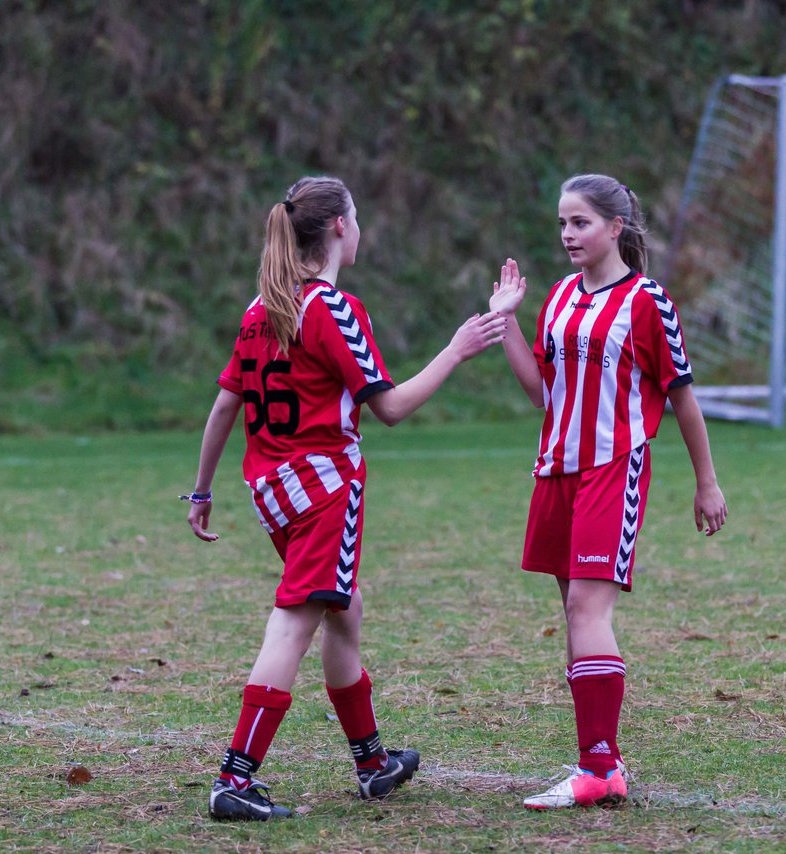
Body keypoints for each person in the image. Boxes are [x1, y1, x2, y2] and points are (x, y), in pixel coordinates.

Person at [184, 175, 506, 821]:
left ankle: (372, 762)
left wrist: (202, 488)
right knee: (298, 618)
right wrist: (455, 351)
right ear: (338, 228)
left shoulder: (261, 308)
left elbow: (226, 403)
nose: (360, 229)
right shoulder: (331, 309)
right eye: (356, 218)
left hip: (270, 489)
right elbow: (389, 407)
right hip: (323, 489)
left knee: (344, 609)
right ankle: (235, 779)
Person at [488, 173, 728, 809]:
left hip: (612, 469)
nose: (567, 234)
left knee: (587, 613)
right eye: (562, 223)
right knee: (573, 612)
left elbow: (683, 398)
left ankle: (598, 768)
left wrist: (707, 482)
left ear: (615, 227)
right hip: (555, 470)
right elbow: (543, 393)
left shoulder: (648, 301)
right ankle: (598, 764)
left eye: (580, 223)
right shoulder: (562, 296)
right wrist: (505, 321)